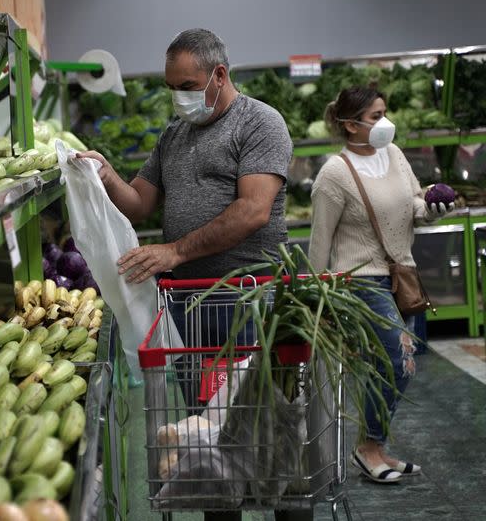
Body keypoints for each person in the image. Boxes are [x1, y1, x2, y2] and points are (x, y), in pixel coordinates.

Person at [77, 29, 306, 521]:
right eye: (171, 87)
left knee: (266, 427)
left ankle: (285, 506)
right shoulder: (174, 134)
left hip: (248, 300)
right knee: (204, 431)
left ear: (219, 75)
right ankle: (217, 508)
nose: (178, 96)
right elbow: (139, 203)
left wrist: (175, 251)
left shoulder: (260, 124)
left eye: (186, 84)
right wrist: (105, 174)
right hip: (189, 306)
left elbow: (252, 212)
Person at [309, 86, 453, 484]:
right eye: (375, 116)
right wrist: (315, 300)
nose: (384, 123)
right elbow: (320, 240)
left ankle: (375, 446)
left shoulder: (394, 155)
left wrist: (435, 207)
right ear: (350, 124)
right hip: (360, 280)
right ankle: (367, 446)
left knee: (393, 366)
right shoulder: (333, 174)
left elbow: (414, 205)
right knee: (399, 361)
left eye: (384, 113)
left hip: (400, 274)